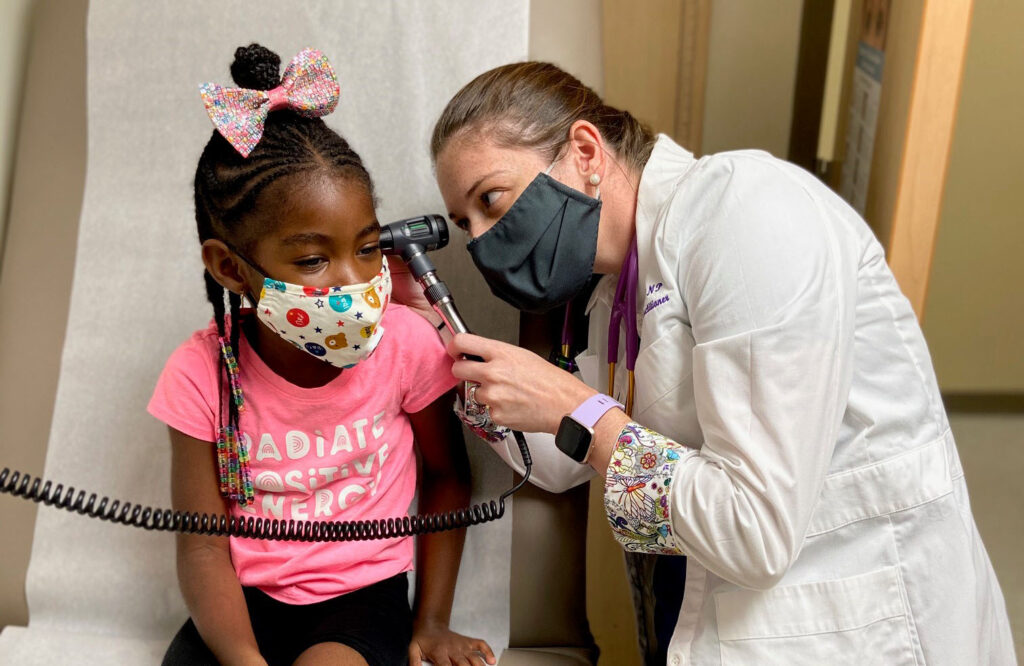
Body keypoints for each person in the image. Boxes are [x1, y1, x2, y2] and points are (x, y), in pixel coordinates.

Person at [431, 61, 1016, 665]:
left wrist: (578, 409)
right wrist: (443, 349)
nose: (481, 241)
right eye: (465, 224)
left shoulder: (745, 213)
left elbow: (754, 530)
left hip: (863, 624)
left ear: (585, 151)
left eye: (491, 200)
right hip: (732, 617)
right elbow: (561, 461)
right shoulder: (615, 290)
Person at [148, 44, 494, 666]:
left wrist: (433, 621)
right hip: (239, 603)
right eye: (312, 260)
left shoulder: (409, 345)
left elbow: (447, 475)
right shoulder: (201, 373)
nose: (351, 281)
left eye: (366, 249)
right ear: (230, 267)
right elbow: (202, 546)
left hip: (360, 602)